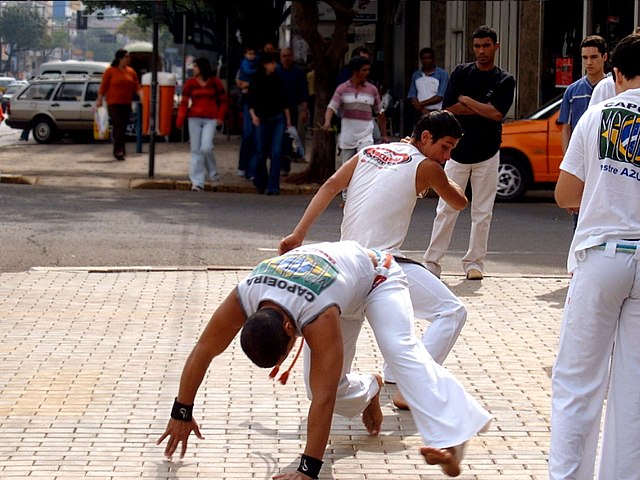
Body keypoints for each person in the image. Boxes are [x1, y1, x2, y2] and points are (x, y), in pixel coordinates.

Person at [157, 241, 492, 478]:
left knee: (399, 349)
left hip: (378, 278)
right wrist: (181, 411)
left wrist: (307, 469)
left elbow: (324, 397)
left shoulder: (317, 318)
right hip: (337, 288)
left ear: (291, 328)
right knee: (323, 388)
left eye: (286, 351)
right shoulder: (245, 293)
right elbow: (204, 348)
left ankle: (453, 439)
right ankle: (371, 387)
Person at [280, 111, 468, 410]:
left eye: (451, 151)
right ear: (426, 137)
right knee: (452, 311)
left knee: (322, 390)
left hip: (342, 267)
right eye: (446, 147)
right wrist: (445, 176)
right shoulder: (428, 166)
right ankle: (393, 382)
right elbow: (459, 201)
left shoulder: (369, 151)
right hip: (378, 269)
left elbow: (331, 185)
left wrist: (297, 234)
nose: (446, 156)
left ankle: (403, 381)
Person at [550, 32, 640, 480]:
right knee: (634, 389)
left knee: (578, 383)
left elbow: (566, 192)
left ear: (616, 73)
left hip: (603, 254)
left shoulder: (598, 112)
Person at [424, 25, 515, 280]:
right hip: (456, 153)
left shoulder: (504, 79)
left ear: (496, 47)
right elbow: (448, 108)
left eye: (486, 45)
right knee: (446, 208)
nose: (481, 51)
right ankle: (432, 262)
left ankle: (474, 263)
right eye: (477, 46)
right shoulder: (462, 72)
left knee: (482, 212)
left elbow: (497, 113)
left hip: (488, 153)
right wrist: (480, 107)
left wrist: (467, 101)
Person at [323, 55, 387, 201]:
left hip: (365, 134)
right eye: (364, 70)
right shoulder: (342, 89)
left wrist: (384, 135)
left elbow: (380, 113)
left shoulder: (372, 90)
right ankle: (346, 199)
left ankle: (362, 197)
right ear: (355, 71)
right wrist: (327, 122)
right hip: (348, 135)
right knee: (347, 167)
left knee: (365, 164)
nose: (367, 73)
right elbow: (331, 107)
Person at [176, 57, 227, 192]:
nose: (193, 69)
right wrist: (180, 119)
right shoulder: (190, 83)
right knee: (195, 150)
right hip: (194, 119)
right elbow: (184, 102)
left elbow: (223, 101)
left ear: (202, 67)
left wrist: (220, 117)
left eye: (195, 66)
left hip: (210, 118)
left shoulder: (215, 83)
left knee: (206, 148)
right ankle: (197, 182)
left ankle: (213, 175)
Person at [247, 52, 291, 195]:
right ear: (265, 64)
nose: (274, 65)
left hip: (277, 118)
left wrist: (288, 120)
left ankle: (273, 186)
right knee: (261, 153)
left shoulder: (279, 79)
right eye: (271, 63)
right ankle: (261, 181)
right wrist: (253, 116)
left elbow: (285, 101)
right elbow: (251, 100)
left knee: (276, 152)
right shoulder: (256, 79)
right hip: (261, 118)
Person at [558, 35, 608, 154]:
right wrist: (567, 158)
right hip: (580, 152)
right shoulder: (572, 91)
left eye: (594, 57)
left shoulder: (613, 87)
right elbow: (566, 128)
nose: (589, 62)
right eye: (585, 57)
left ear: (604, 57)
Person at [96, 49, 141, 161]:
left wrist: (143, 96)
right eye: (126, 57)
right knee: (119, 125)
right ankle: (119, 150)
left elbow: (136, 86)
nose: (128, 59)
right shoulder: (110, 71)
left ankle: (120, 148)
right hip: (114, 103)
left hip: (126, 103)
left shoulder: (131, 71)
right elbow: (103, 86)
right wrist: (100, 98)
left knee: (122, 127)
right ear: (120, 58)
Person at [277, 47, 309, 175]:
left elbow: (304, 94)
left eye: (289, 55)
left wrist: (304, 111)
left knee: (288, 139)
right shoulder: (277, 71)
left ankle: (285, 165)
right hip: (276, 110)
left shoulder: (298, 73)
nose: (287, 58)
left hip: (292, 109)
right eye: (284, 56)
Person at [407, 47, 449, 123]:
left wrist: (420, 104)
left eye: (428, 58)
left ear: (433, 59)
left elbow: (440, 96)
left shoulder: (442, 74)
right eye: (423, 58)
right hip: (420, 113)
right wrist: (421, 108)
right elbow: (412, 95)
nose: (426, 60)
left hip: (437, 112)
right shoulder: (416, 75)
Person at [236, 45, 258, 178]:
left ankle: (252, 170)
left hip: (256, 103)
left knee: (256, 138)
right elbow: (239, 82)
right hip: (248, 102)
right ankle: (244, 166)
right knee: (248, 135)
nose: (251, 56)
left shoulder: (258, 66)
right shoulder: (244, 67)